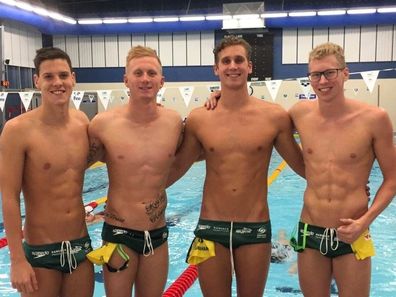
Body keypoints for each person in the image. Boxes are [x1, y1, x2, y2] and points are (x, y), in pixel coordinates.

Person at [167, 35, 305, 297]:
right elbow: (176, 168)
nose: (233, 66)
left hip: (254, 228)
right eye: (226, 61)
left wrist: (351, 184)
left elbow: (302, 165)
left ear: (250, 66)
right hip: (211, 228)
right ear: (216, 69)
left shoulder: (274, 116)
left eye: (239, 60)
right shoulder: (199, 119)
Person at [288, 42, 396, 297]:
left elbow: (392, 179)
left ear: (345, 73)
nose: (322, 81)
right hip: (309, 231)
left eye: (329, 73)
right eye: (315, 75)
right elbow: (262, 120)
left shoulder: (374, 119)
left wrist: (364, 222)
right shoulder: (299, 114)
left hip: (353, 231)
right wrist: (220, 96)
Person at [87, 46, 183, 297]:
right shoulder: (103, 124)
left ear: (161, 81)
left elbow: (199, 153)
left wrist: (216, 99)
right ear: (126, 80)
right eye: (138, 73)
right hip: (118, 234)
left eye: (151, 73)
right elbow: (71, 169)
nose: (145, 79)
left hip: (157, 234)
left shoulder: (174, 122)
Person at [0, 47, 94, 296]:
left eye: (63, 75)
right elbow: (9, 197)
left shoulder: (82, 122)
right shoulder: (17, 130)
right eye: (49, 76)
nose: (57, 83)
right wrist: (17, 260)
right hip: (41, 253)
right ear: (37, 81)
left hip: (80, 248)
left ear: (73, 78)